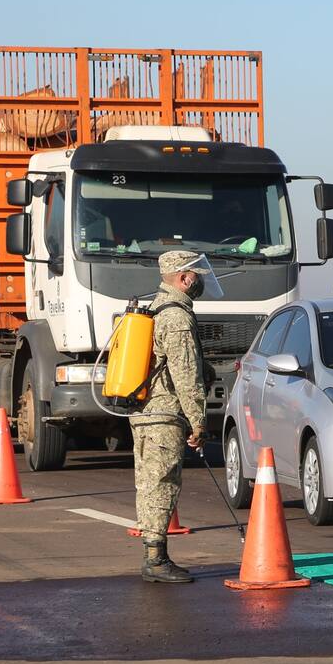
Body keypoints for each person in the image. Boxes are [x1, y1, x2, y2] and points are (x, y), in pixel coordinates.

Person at [131, 249, 224, 582]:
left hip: (146, 410)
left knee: (149, 482)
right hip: (164, 413)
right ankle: (156, 562)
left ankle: (155, 555)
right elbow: (185, 374)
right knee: (162, 483)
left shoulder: (157, 307)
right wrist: (199, 421)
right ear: (185, 278)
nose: (201, 282)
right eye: (198, 276)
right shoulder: (178, 317)